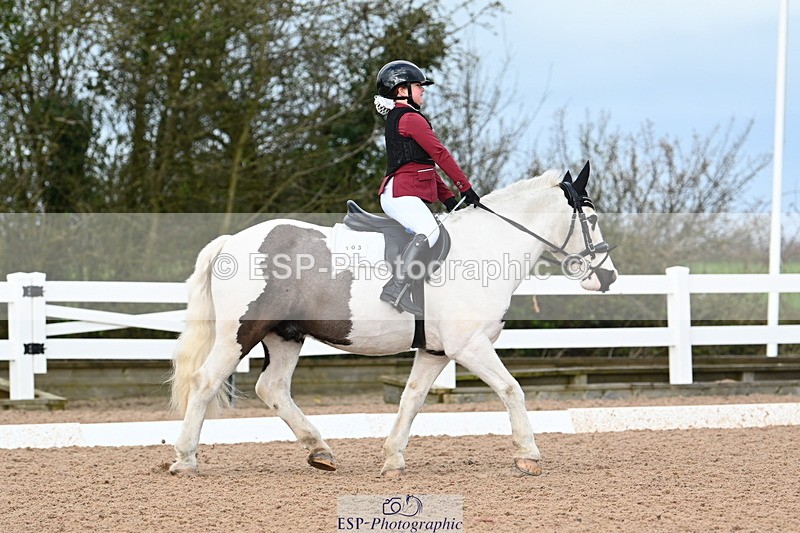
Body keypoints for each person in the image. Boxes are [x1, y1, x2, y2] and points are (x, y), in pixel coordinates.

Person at [373, 59, 481, 316]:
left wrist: (449, 198)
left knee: (433, 230)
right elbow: (440, 154)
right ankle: (395, 288)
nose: (423, 90)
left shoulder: (404, 117)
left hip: (402, 191)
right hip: (399, 194)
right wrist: (465, 187)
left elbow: (424, 166)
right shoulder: (410, 119)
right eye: (418, 86)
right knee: (429, 231)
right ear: (401, 90)